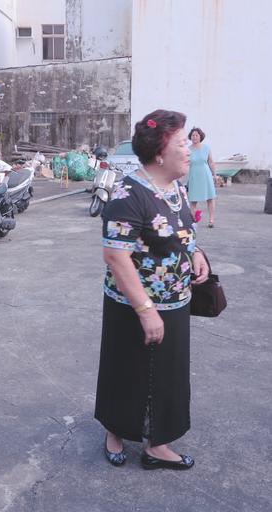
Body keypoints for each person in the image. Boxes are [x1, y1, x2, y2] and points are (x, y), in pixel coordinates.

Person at [94, 109, 209, 470]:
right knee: (125, 368)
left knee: (168, 373)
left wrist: (197, 253)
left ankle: (157, 444)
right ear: (159, 153)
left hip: (175, 302)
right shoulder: (128, 194)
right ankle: (115, 430)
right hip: (132, 305)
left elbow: (182, 231)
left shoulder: (175, 187)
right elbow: (115, 256)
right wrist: (145, 310)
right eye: (181, 144)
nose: (189, 149)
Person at [187, 127, 217, 227]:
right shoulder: (187, 150)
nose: (194, 137)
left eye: (196, 135)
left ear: (200, 137)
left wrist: (214, 175)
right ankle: (193, 219)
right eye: (193, 135)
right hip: (194, 176)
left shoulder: (206, 148)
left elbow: (211, 162)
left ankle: (211, 220)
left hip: (206, 175)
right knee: (193, 199)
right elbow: (184, 164)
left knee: (210, 198)